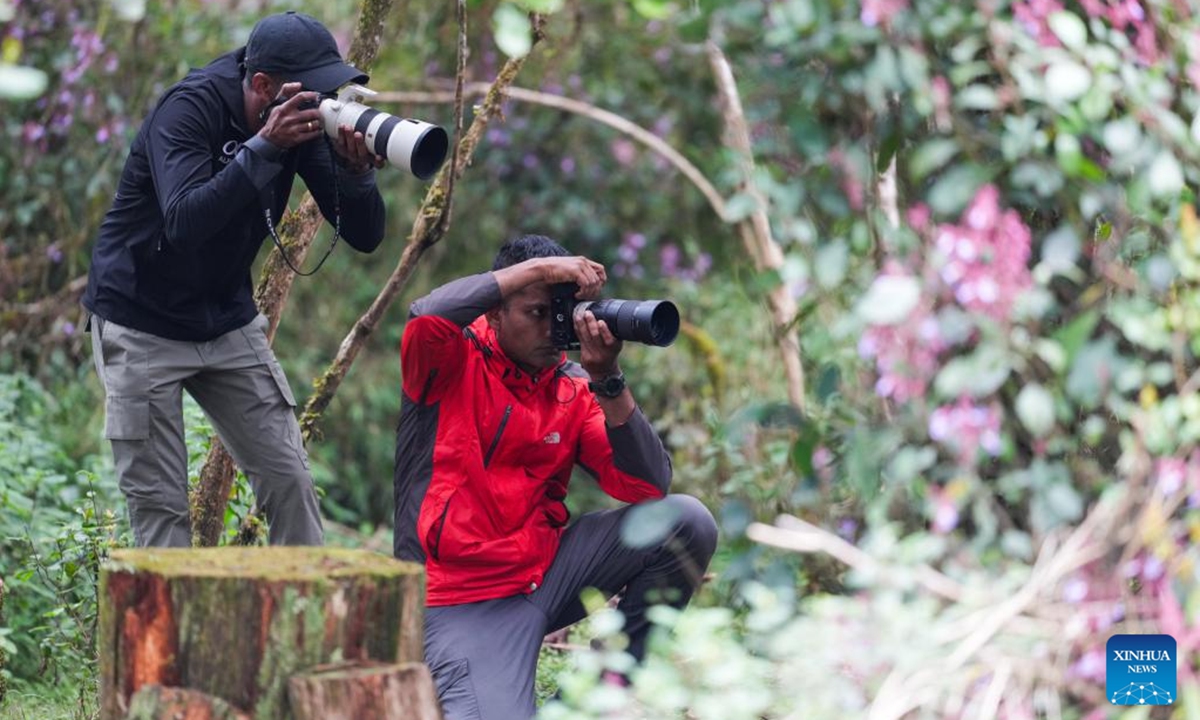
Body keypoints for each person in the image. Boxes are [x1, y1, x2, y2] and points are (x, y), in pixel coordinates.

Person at [82, 11, 387, 548]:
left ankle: (305, 625)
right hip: (140, 320)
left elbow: (365, 235)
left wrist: (357, 174)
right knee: (162, 518)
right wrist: (264, 146)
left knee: (291, 483)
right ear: (264, 85)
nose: (320, 102)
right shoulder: (189, 109)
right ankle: (172, 634)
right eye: (311, 89)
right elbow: (184, 223)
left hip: (224, 320)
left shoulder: (298, 121)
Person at [394, 234, 719, 720]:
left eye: (562, 313)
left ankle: (594, 698)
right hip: (459, 598)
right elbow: (426, 314)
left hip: (545, 575)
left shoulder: (571, 386)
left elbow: (648, 488)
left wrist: (608, 379)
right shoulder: (448, 360)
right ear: (496, 311)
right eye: (537, 313)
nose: (554, 329)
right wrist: (539, 272)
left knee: (686, 523)